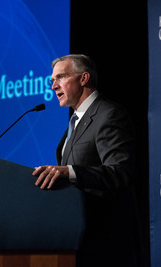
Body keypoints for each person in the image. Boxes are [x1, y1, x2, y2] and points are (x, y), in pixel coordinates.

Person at [32, 54, 141, 266]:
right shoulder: (74, 125)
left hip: (107, 244)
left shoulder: (108, 114)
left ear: (84, 79)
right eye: (52, 80)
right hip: (77, 240)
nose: (54, 86)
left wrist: (69, 172)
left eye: (61, 77)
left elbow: (121, 172)